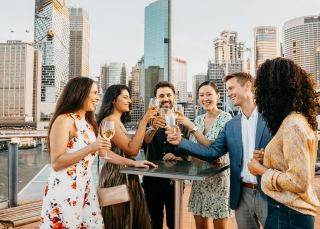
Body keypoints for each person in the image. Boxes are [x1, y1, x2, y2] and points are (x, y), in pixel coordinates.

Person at [39, 77, 154, 228]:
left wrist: (133, 162)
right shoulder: (64, 120)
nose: (98, 97)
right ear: (80, 93)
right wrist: (91, 147)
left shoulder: (87, 123)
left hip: (85, 187)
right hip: (65, 190)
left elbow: (104, 153)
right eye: (94, 93)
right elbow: (56, 162)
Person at [167, 72, 272, 229]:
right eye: (227, 90)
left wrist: (268, 156)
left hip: (267, 192)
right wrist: (180, 141)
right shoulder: (233, 125)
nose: (228, 93)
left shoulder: (271, 118)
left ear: (248, 86)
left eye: (231, 89)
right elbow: (213, 152)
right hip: (241, 193)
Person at [247, 57, 320, 229]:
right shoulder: (296, 120)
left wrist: (262, 170)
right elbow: (295, 164)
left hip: (288, 214)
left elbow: (298, 181)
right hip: (288, 213)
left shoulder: (293, 125)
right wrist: (270, 157)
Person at [97, 84, 157, 229]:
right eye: (125, 97)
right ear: (113, 100)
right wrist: (144, 121)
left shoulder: (119, 122)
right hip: (116, 177)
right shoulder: (109, 122)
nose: (129, 101)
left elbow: (139, 141)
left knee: (132, 220)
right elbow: (132, 150)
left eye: (129, 98)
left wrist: (154, 127)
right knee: (120, 221)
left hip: (127, 175)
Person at [176, 80, 232, 229]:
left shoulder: (226, 119)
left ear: (218, 96)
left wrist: (191, 127)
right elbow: (195, 150)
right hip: (199, 180)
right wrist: (182, 157)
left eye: (209, 94)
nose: (205, 98)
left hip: (219, 181)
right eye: (201, 95)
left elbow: (213, 150)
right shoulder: (198, 119)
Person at [143, 81, 188, 229]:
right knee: (154, 223)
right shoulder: (147, 121)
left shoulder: (183, 122)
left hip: (174, 183)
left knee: (174, 223)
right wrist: (152, 127)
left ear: (174, 97)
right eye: (161, 96)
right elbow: (140, 144)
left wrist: (179, 157)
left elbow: (190, 153)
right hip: (152, 181)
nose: (165, 98)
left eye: (169, 95)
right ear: (156, 99)